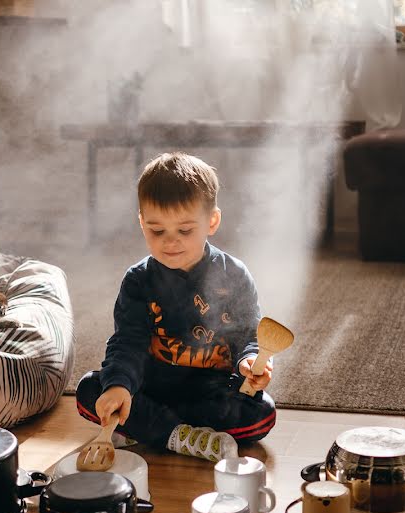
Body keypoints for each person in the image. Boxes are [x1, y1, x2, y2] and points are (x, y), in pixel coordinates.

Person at [75, 152, 277, 461]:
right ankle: (178, 436)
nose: (170, 242)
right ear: (142, 222)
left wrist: (251, 362)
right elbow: (127, 342)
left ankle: (146, 428)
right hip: (154, 385)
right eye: (157, 231)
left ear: (212, 222)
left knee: (262, 414)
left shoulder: (234, 274)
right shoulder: (138, 280)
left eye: (184, 231)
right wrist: (119, 386)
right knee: (91, 390)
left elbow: (249, 335)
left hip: (211, 391)